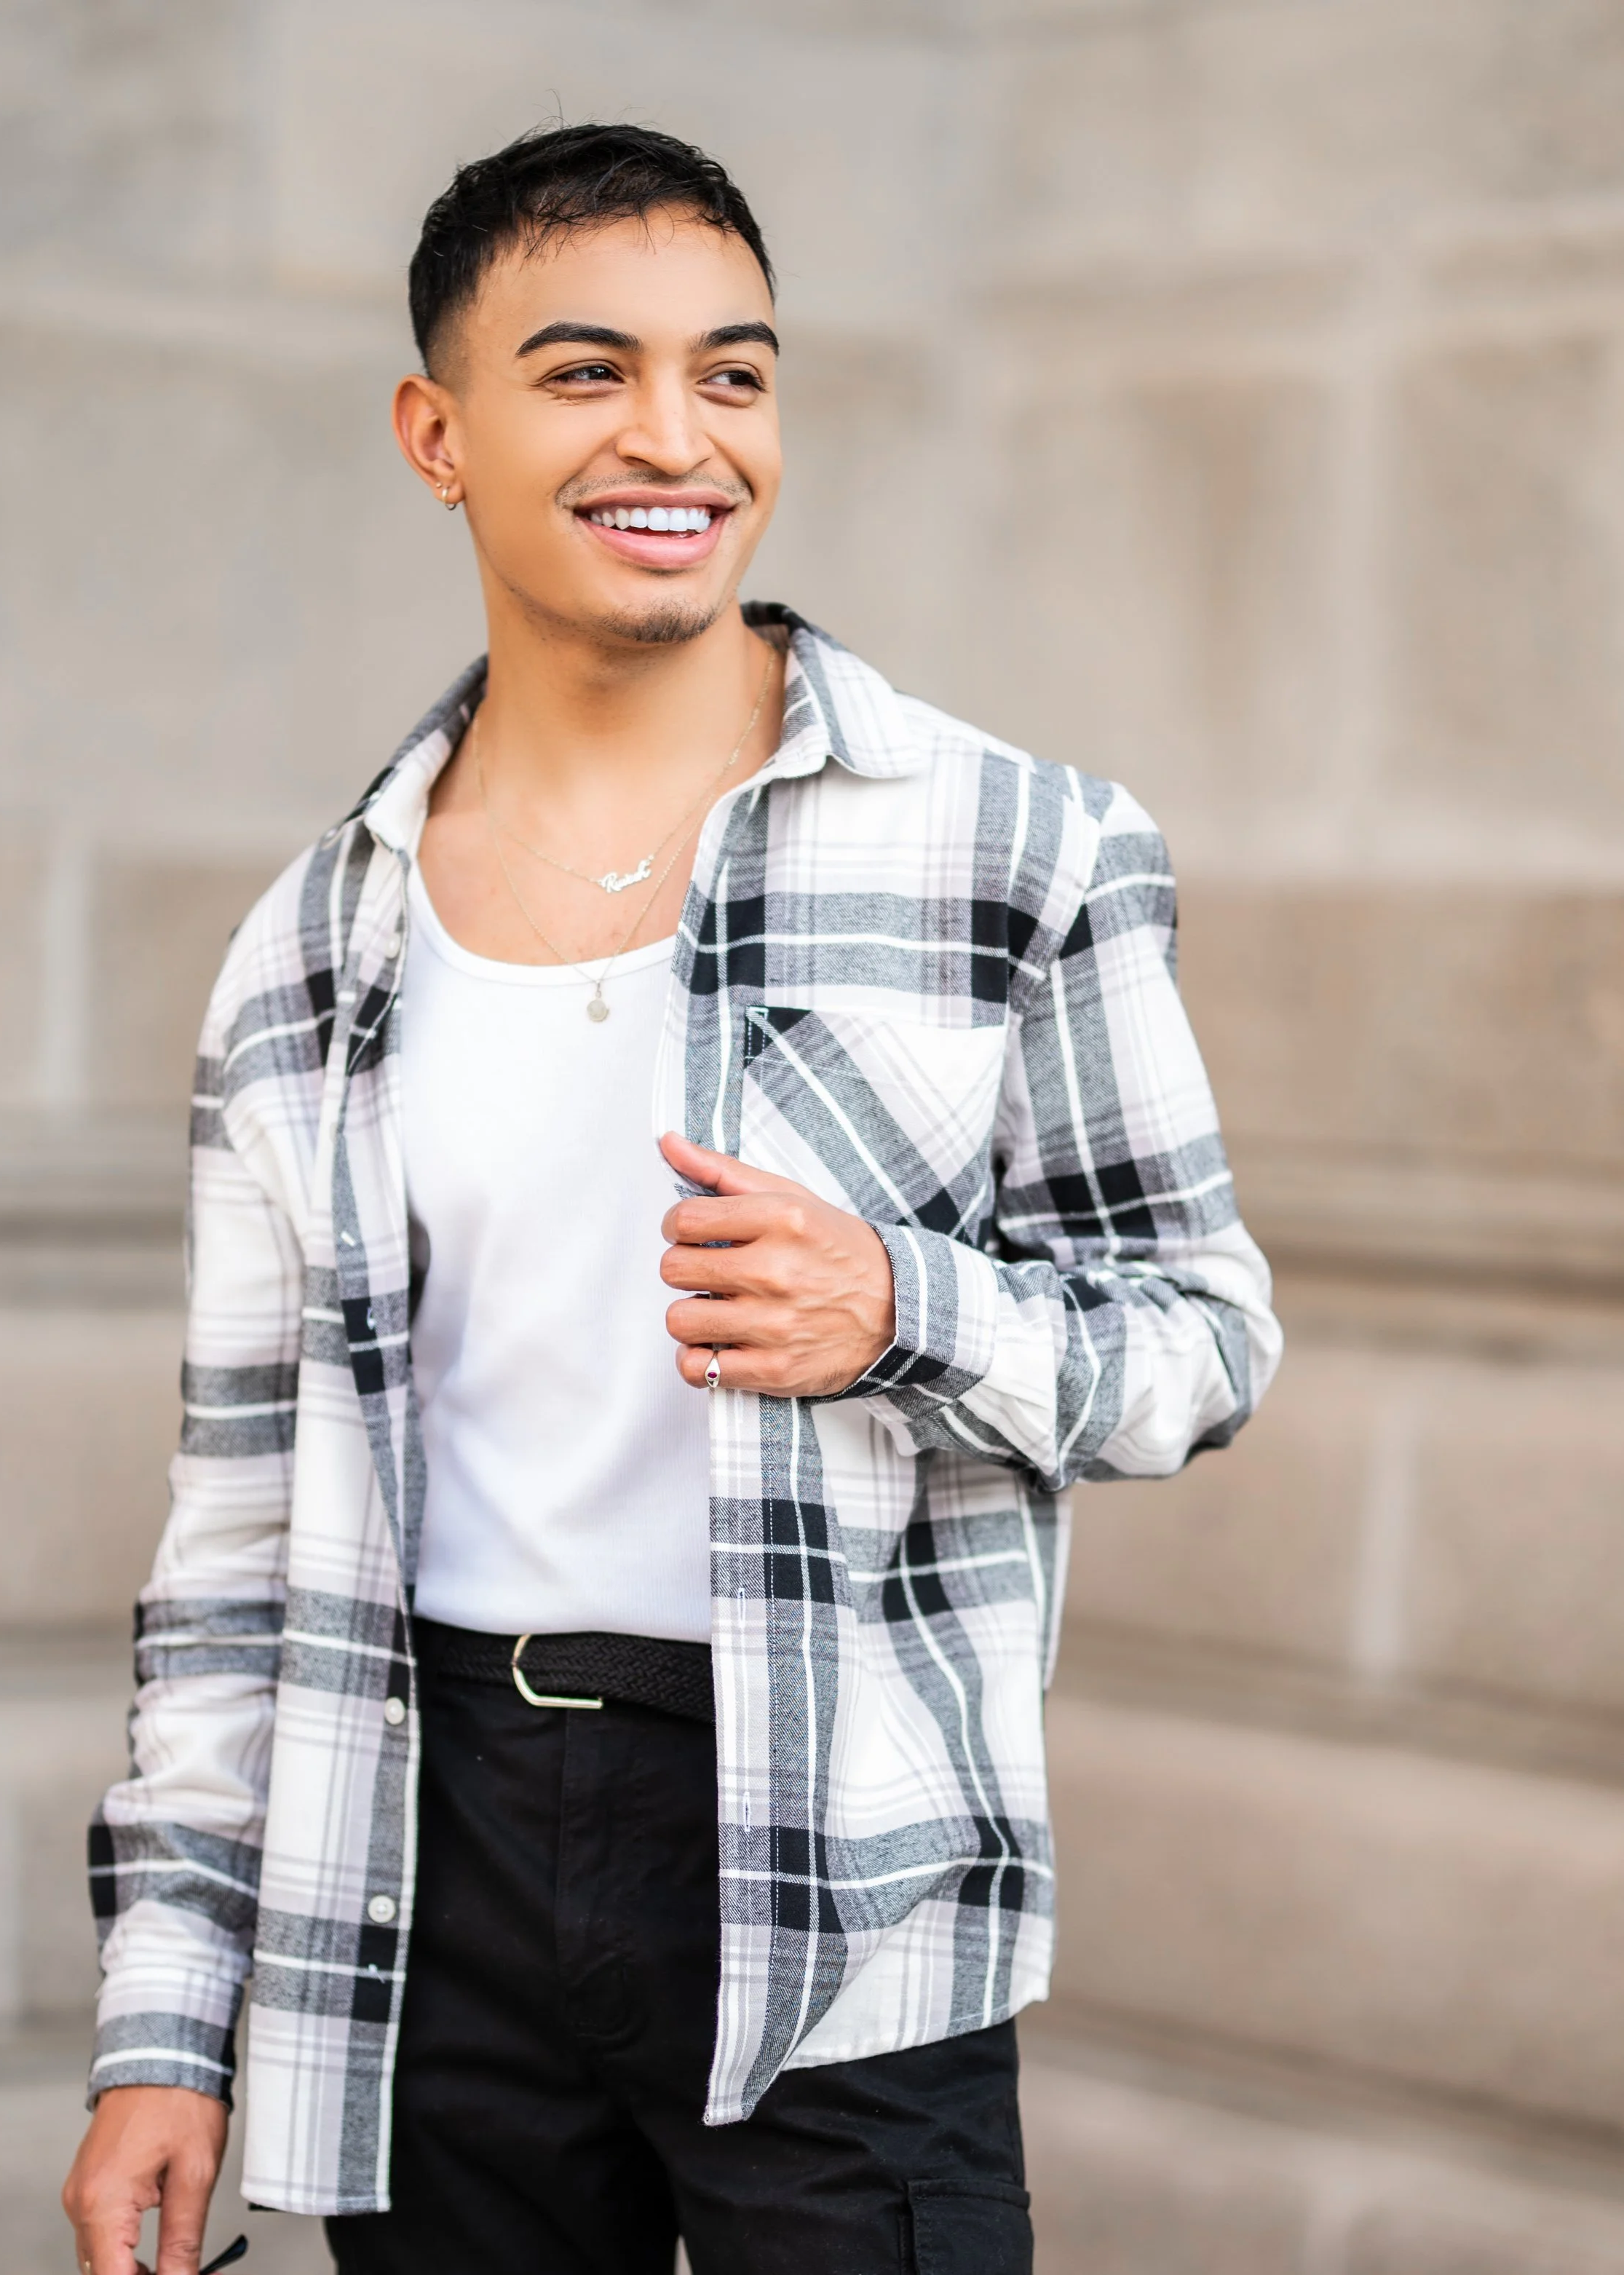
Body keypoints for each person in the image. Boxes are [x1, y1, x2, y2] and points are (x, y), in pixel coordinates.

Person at [62, 122, 1281, 2275]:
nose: (676, 437)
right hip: (425, 1866)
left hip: (835, 1873)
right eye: (586, 372)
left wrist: (898, 1310)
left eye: (732, 373)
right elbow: (235, 1544)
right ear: (437, 435)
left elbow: (1204, 1338)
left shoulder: (1019, 850)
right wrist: (165, 2026)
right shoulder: (308, 953)